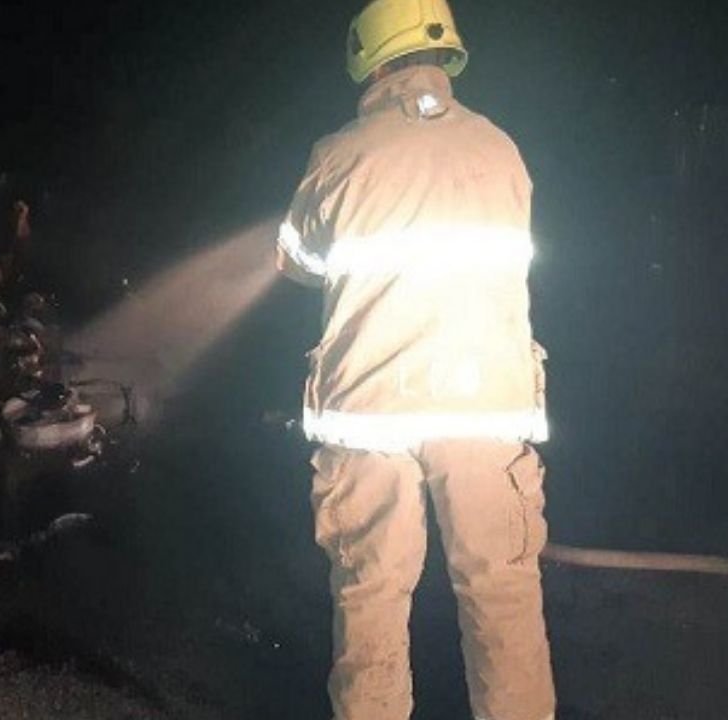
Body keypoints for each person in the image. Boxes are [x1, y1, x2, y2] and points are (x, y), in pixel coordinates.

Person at [275, 2, 555, 719]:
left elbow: (299, 260)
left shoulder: (338, 153)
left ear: (365, 60)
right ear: (445, 57)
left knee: (369, 595)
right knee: (501, 595)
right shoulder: (502, 148)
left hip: (371, 412)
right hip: (484, 405)